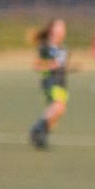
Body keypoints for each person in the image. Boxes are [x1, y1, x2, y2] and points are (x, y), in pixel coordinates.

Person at [29, 19, 69, 150]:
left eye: (63, 28)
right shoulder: (46, 47)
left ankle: (41, 134)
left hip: (61, 82)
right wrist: (52, 65)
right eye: (60, 27)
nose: (62, 30)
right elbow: (37, 65)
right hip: (50, 81)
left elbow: (61, 66)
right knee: (57, 106)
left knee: (59, 110)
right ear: (53, 30)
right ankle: (38, 128)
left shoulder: (63, 49)